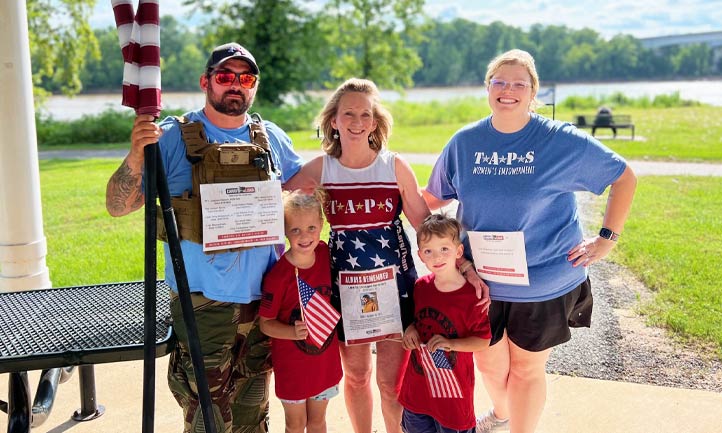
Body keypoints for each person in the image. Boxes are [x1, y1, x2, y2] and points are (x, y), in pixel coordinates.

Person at [423, 49, 637, 433]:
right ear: (488, 87)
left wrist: (607, 239)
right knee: (490, 363)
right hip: (480, 281)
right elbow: (433, 198)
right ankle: (503, 413)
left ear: (533, 92)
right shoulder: (465, 142)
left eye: (519, 83)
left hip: (541, 281)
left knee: (525, 368)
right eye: (499, 82)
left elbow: (624, 177)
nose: (508, 90)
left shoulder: (560, 141)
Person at [105, 42, 305, 433]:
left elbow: (301, 192)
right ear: (206, 81)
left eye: (245, 78)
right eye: (225, 76)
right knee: (207, 416)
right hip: (203, 303)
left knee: (254, 410)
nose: (236, 85)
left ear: (255, 86)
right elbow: (118, 205)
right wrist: (134, 155)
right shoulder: (172, 137)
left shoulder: (272, 138)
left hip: (263, 303)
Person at [284, 77, 432, 433]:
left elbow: (423, 223)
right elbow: (277, 203)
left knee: (389, 383)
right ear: (333, 120)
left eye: (365, 114)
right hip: (346, 285)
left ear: (375, 121)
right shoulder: (322, 169)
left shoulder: (394, 166)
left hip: (395, 287)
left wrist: (460, 266)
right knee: (357, 375)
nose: (356, 121)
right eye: (348, 113)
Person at [398, 214, 491, 433]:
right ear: (420, 255)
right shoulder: (421, 287)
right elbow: (415, 321)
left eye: (444, 249)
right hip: (418, 390)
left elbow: (483, 341)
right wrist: (410, 329)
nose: (436, 257)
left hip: (453, 395)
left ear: (458, 252)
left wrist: (451, 344)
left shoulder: (472, 296)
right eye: (428, 251)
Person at [259, 189, 342, 433]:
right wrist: (291, 332)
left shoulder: (325, 254)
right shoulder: (278, 276)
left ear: (321, 225)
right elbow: (266, 323)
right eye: (295, 230)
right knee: (295, 424)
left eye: (311, 228)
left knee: (317, 422)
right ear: (284, 231)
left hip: (324, 361)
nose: (304, 236)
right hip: (293, 365)